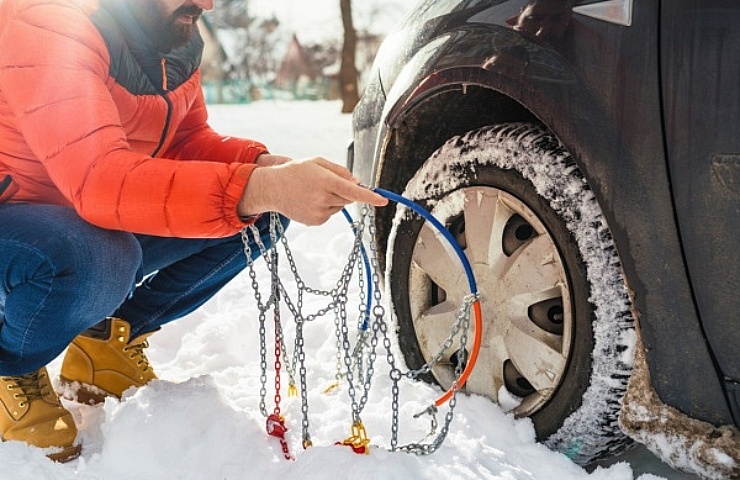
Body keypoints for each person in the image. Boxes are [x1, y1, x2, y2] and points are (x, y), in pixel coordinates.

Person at [0, 0, 387, 462]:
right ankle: (10, 368)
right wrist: (255, 186)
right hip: (18, 215)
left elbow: (184, 141)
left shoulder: (172, 39)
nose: (205, 3)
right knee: (99, 258)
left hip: (78, 210)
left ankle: (104, 343)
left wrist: (261, 168)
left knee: (260, 213)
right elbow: (101, 180)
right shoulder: (49, 23)